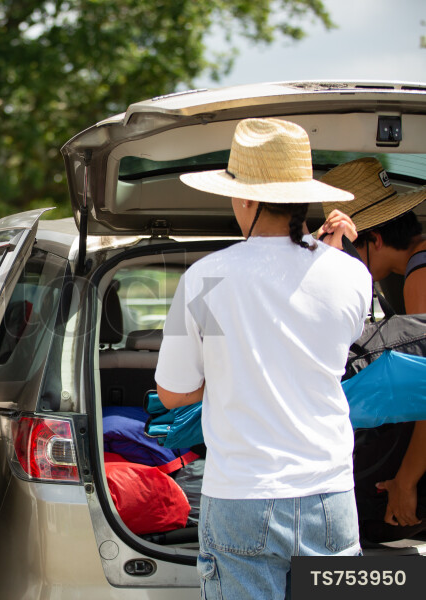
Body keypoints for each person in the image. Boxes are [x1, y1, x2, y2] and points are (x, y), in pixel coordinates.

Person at [154, 118, 372, 598]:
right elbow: (332, 343)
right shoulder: (351, 273)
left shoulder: (205, 278)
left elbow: (173, 393)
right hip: (331, 494)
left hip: (241, 496)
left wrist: (230, 367)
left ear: (248, 198)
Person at [319, 157, 426, 543]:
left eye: (350, 251)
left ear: (374, 240)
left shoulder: (420, 275)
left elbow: (424, 392)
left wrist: (406, 481)